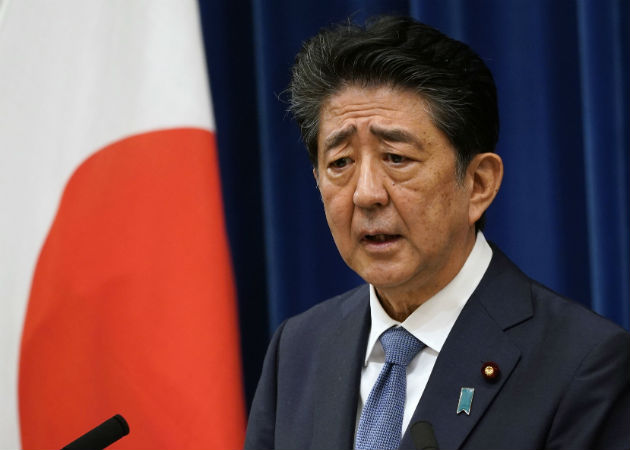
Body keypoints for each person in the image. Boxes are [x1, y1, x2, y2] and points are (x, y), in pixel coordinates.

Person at [244, 15, 629, 450]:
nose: (366, 194)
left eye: (396, 158)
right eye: (340, 164)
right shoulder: (298, 349)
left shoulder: (581, 363)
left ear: (479, 183)